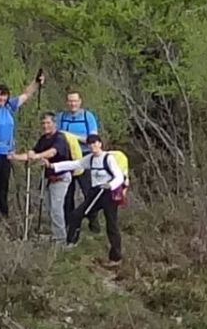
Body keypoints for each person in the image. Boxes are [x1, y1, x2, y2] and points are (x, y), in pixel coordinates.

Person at [45, 134, 124, 265]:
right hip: (95, 193)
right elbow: (75, 163)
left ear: (100, 144)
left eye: (95, 143)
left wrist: (110, 185)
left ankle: (115, 257)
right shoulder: (90, 159)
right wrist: (53, 166)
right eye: (90, 144)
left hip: (108, 194)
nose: (93, 146)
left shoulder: (108, 158)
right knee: (77, 214)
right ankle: (71, 243)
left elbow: (119, 176)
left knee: (112, 224)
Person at [0, 74, 44, 216]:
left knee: (4, 181)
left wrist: (36, 82)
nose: (2, 99)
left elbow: (25, 95)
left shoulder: (9, 107)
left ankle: (3, 210)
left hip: (8, 151)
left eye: (4, 96)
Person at [9, 112, 71, 241]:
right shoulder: (43, 139)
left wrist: (37, 156)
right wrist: (15, 157)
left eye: (48, 123)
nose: (45, 126)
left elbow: (52, 152)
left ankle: (61, 239)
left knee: (56, 209)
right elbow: (32, 154)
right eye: (43, 123)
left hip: (60, 177)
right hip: (48, 179)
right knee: (49, 208)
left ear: (54, 123)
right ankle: (56, 235)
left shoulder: (60, 138)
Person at [57, 91, 100, 233]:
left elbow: (93, 139)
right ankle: (70, 224)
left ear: (80, 101)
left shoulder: (88, 117)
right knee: (67, 193)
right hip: (67, 157)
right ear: (66, 102)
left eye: (75, 101)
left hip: (85, 157)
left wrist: (72, 137)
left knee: (89, 191)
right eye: (70, 101)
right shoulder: (61, 117)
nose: (72, 104)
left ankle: (93, 221)